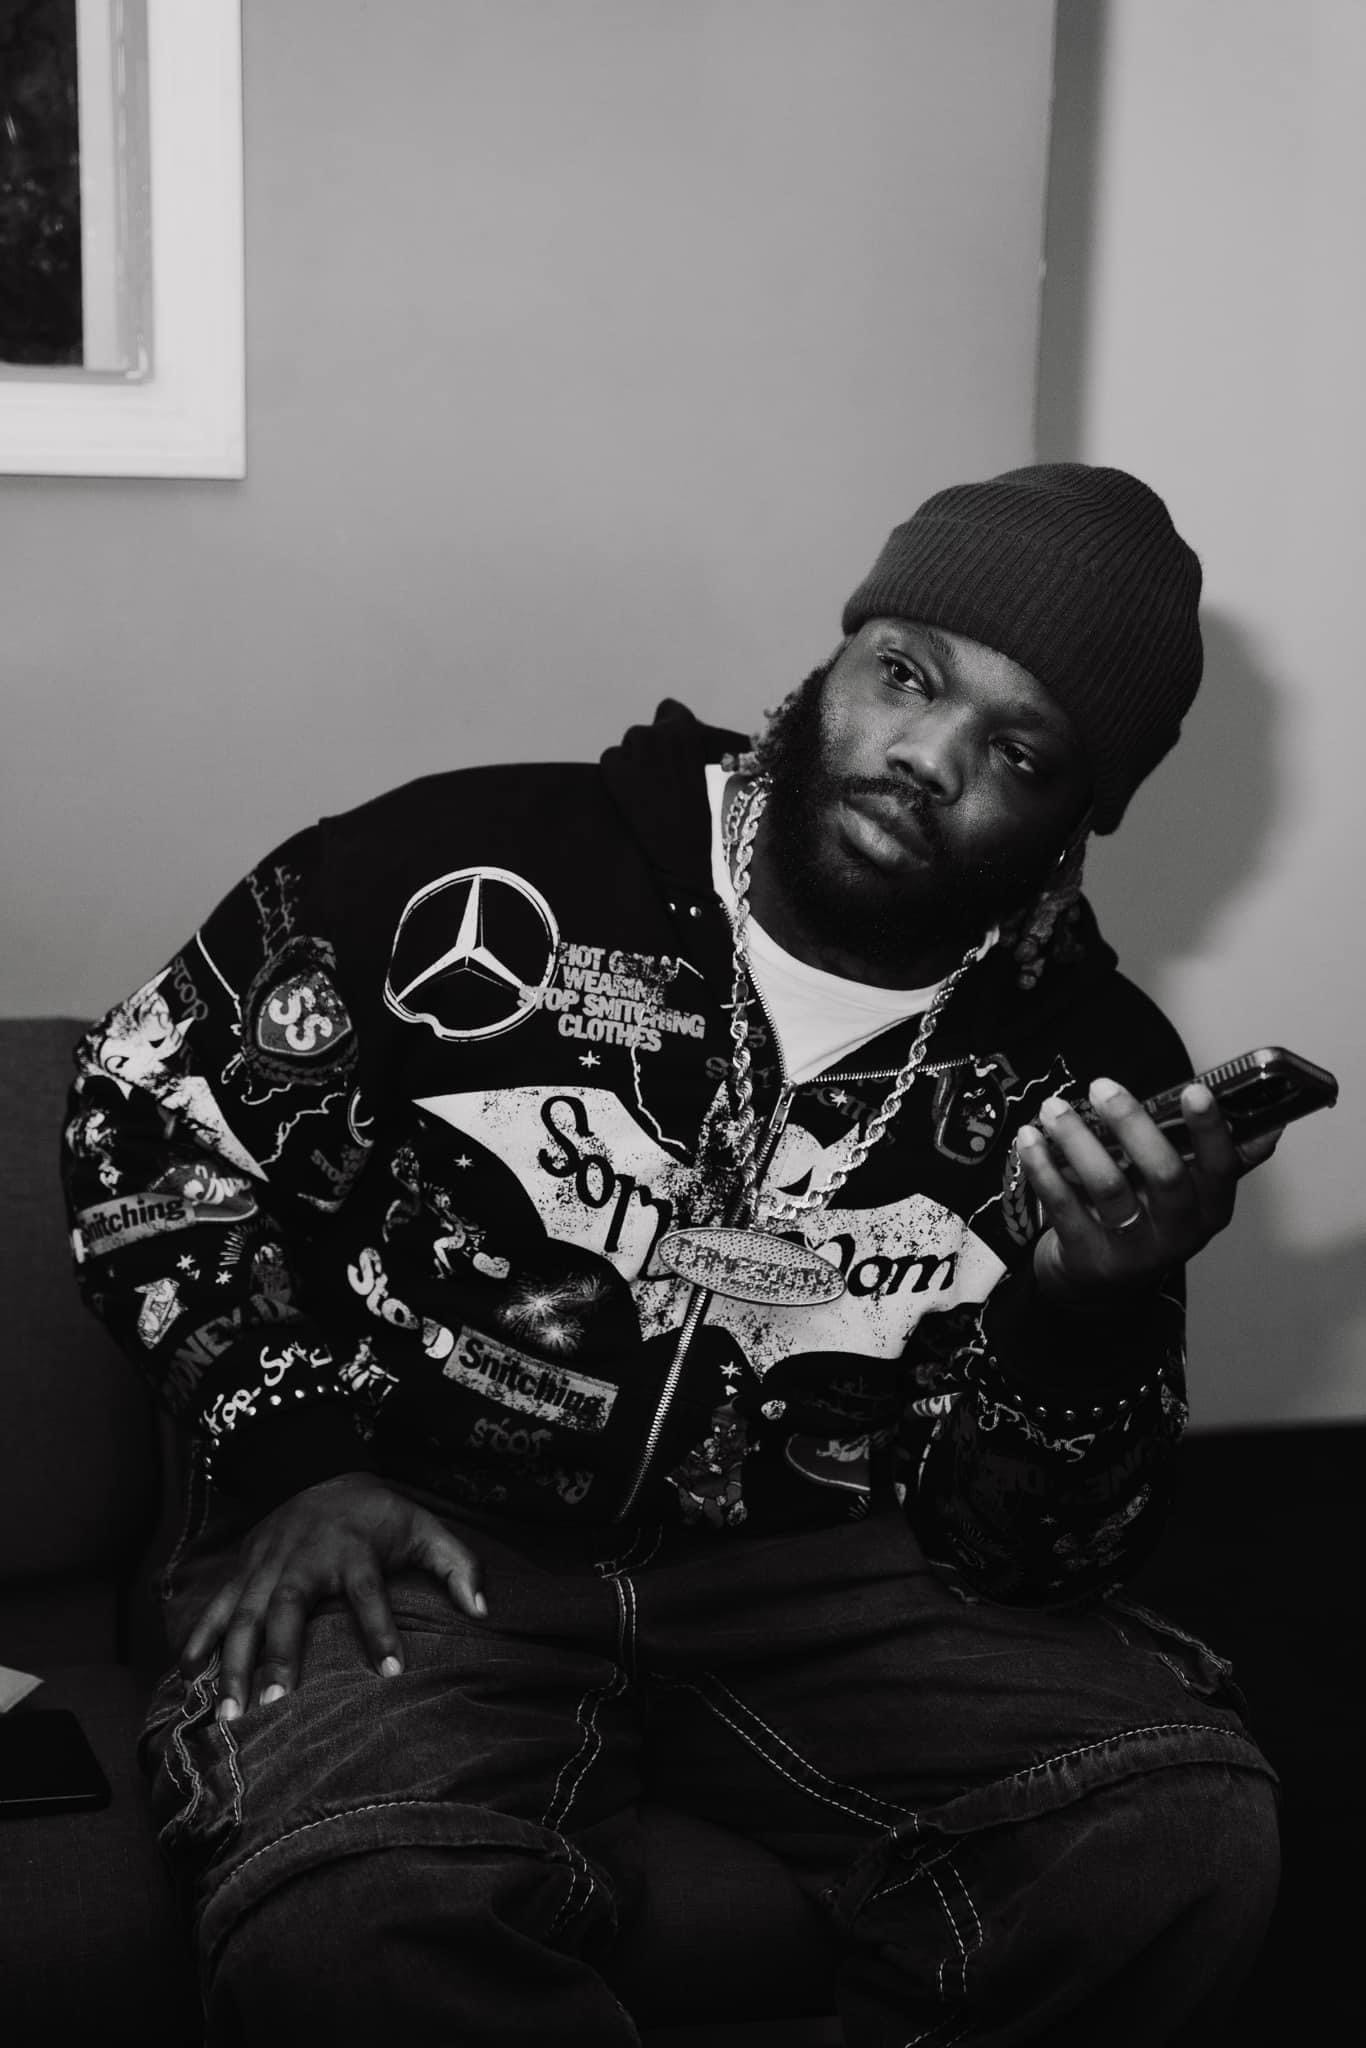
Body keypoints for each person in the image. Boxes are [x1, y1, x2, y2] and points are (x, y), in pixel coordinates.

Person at [62, 463, 1283, 2046]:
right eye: (904, 675)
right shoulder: (465, 867)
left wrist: (1085, 1315)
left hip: (837, 1583)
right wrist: (291, 1452)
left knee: (1177, 1832)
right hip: (420, 1535)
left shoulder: (1088, 1074)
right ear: (835, 658)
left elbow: (1040, 1561)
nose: (925, 756)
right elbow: (145, 1121)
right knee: (358, 1910)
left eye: (1020, 749)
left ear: (1078, 813)